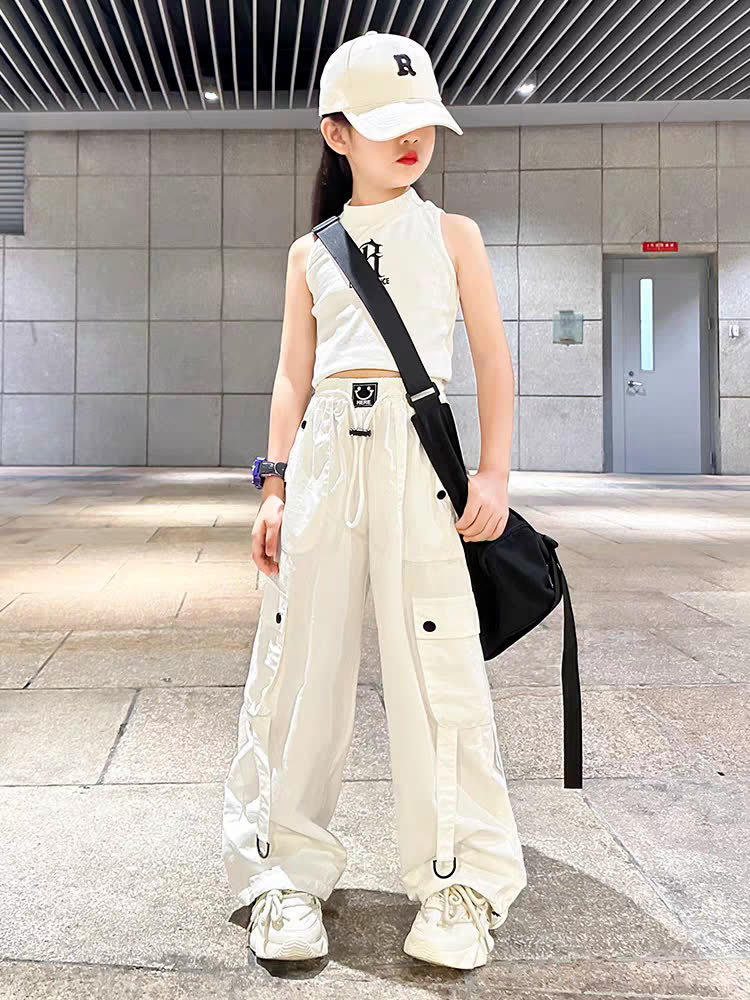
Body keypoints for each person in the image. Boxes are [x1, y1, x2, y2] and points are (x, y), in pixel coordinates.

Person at [222, 29, 526, 970]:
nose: (412, 140)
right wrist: (274, 487)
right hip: (322, 460)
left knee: (438, 668)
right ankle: (282, 873)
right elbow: (292, 375)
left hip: (416, 458)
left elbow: (492, 360)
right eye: (388, 124)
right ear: (337, 132)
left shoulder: (454, 235)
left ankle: (459, 878)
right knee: (297, 668)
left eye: (421, 121)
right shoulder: (311, 253)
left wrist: (494, 475)